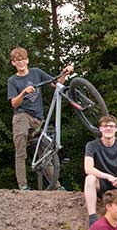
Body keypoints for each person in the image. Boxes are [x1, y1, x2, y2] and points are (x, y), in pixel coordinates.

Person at [7, 46, 73, 190]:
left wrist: (65, 73)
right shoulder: (13, 80)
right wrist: (24, 92)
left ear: (27, 60)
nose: (20, 62)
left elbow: (57, 84)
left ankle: (56, 186)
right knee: (21, 150)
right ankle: (23, 186)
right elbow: (13, 103)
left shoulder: (36, 73)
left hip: (38, 118)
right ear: (13, 63)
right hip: (21, 116)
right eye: (17, 60)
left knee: (45, 151)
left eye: (22, 59)